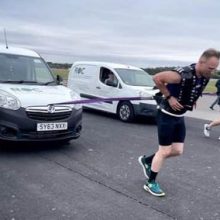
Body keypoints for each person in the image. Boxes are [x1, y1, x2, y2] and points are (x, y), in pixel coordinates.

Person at [138, 48, 220, 197]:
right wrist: (169, 97)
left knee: (177, 151)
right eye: (210, 68)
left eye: (215, 68)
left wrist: (191, 101)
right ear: (201, 62)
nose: (213, 71)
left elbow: (194, 89)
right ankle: (150, 183)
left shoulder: (204, 75)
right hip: (166, 115)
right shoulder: (179, 75)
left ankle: (147, 160)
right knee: (164, 151)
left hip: (179, 116)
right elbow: (157, 78)